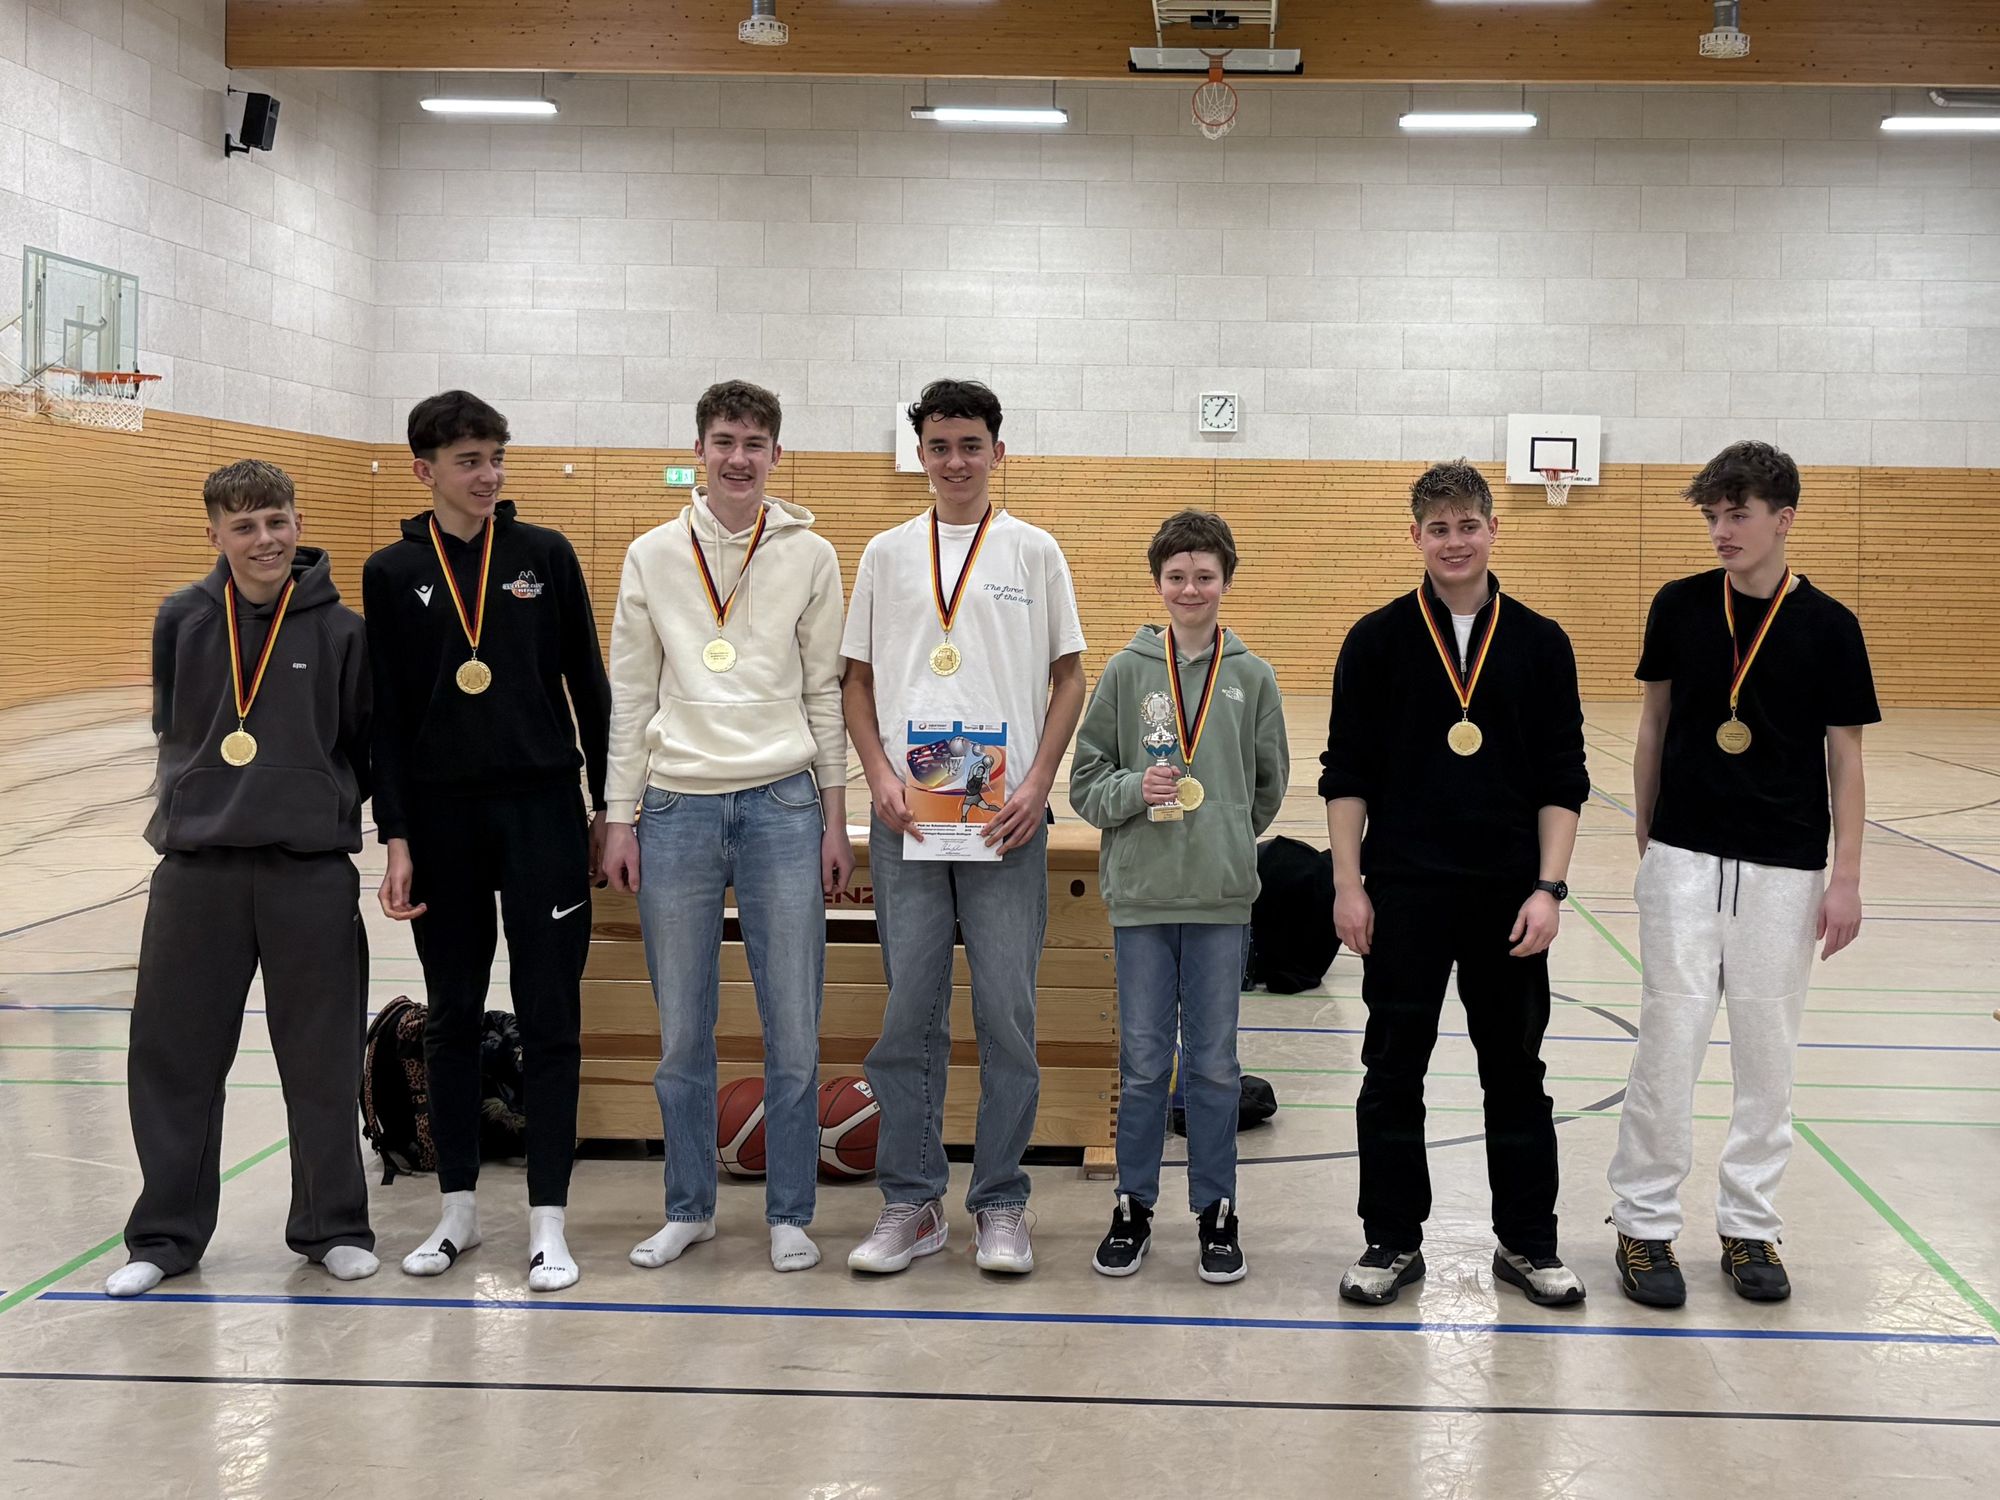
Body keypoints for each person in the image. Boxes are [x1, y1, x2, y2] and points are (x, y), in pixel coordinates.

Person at [1608, 440, 1878, 1308]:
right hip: (1683, 858)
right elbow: (1653, 726)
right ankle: (1644, 1225)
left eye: (1739, 514)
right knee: (1668, 1043)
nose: (1722, 530)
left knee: (1768, 1057)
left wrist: (1846, 877)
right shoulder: (1680, 605)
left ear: (1783, 518)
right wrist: (1649, 835)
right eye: (1714, 516)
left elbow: (1846, 760)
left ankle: (1750, 1225)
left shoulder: (1831, 626)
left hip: (1786, 869)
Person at [1320, 459, 1589, 1308]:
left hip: (1509, 898)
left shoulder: (1541, 643)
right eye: (1438, 528)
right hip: (1403, 893)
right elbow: (1345, 774)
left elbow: (1564, 778)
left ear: (1493, 530)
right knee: (1392, 1069)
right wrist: (1348, 885)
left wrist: (1549, 888)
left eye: (1468, 525)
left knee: (1515, 1073)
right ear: (1415, 537)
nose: (1454, 542)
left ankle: (1529, 1243)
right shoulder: (1375, 640)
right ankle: (1392, 1240)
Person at [600, 379, 853, 1275]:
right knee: (682, 1034)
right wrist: (620, 815)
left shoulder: (812, 555)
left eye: (754, 443)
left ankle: (790, 1213)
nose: (738, 458)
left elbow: (824, 692)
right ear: (698, 451)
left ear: (777, 455)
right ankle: (688, 1207)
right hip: (676, 808)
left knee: (795, 1028)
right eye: (723, 441)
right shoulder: (650, 555)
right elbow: (631, 693)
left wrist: (835, 817)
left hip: (784, 804)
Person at [363, 390, 611, 1294]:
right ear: (424, 470)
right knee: (453, 1016)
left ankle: (549, 1222)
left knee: (550, 1018)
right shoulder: (392, 572)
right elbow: (386, 720)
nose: (487, 475)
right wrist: (396, 836)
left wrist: (607, 806)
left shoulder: (545, 555)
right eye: (469, 461)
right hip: (442, 823)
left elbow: (589, 684)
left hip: (543, 813)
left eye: (496, 458)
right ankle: (458, 1212)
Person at [109, 459, 376, 1297]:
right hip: (197, 869)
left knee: (322, 1059)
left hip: (309, 870)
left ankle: (333, 1226)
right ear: (215, 534)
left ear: (298, 523)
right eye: (245, 526)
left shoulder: (343, 631)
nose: (265, 539)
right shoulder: (183, 618)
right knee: (173, 1057)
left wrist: (311, 799)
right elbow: (172, 724)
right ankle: (164, 1236)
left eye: (277, 521)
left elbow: (359, 742)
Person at [841, 379, 1087, 1276]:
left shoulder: (1034, 550)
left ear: (997, 451)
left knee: (1006, 1014)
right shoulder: (885, 554)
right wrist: (878, 774)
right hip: (909, 808)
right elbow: (857, 681)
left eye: (970, 445)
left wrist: (1038, 781)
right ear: (920, 454)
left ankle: (1001, 1201)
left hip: (1003, 814)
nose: (955, 461)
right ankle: (912, 1202)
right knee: (909, 1013)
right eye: (939, 446)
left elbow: (1069, 677)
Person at [1070, 509, 1288, 1283]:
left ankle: (1216, 1210)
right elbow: (1086, 783)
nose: (1190, 589)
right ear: (1157, 582)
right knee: (1141, 1064)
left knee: (1216, 1067)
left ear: (1226, 581)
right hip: (1143, 897)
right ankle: (1132, 1204)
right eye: (1176, 576)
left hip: (1220, 899)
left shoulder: (1253, 677)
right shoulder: (1126, 672)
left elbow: (1268, 787)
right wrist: (1137, 789)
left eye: (1204, 576)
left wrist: (1221, 833)